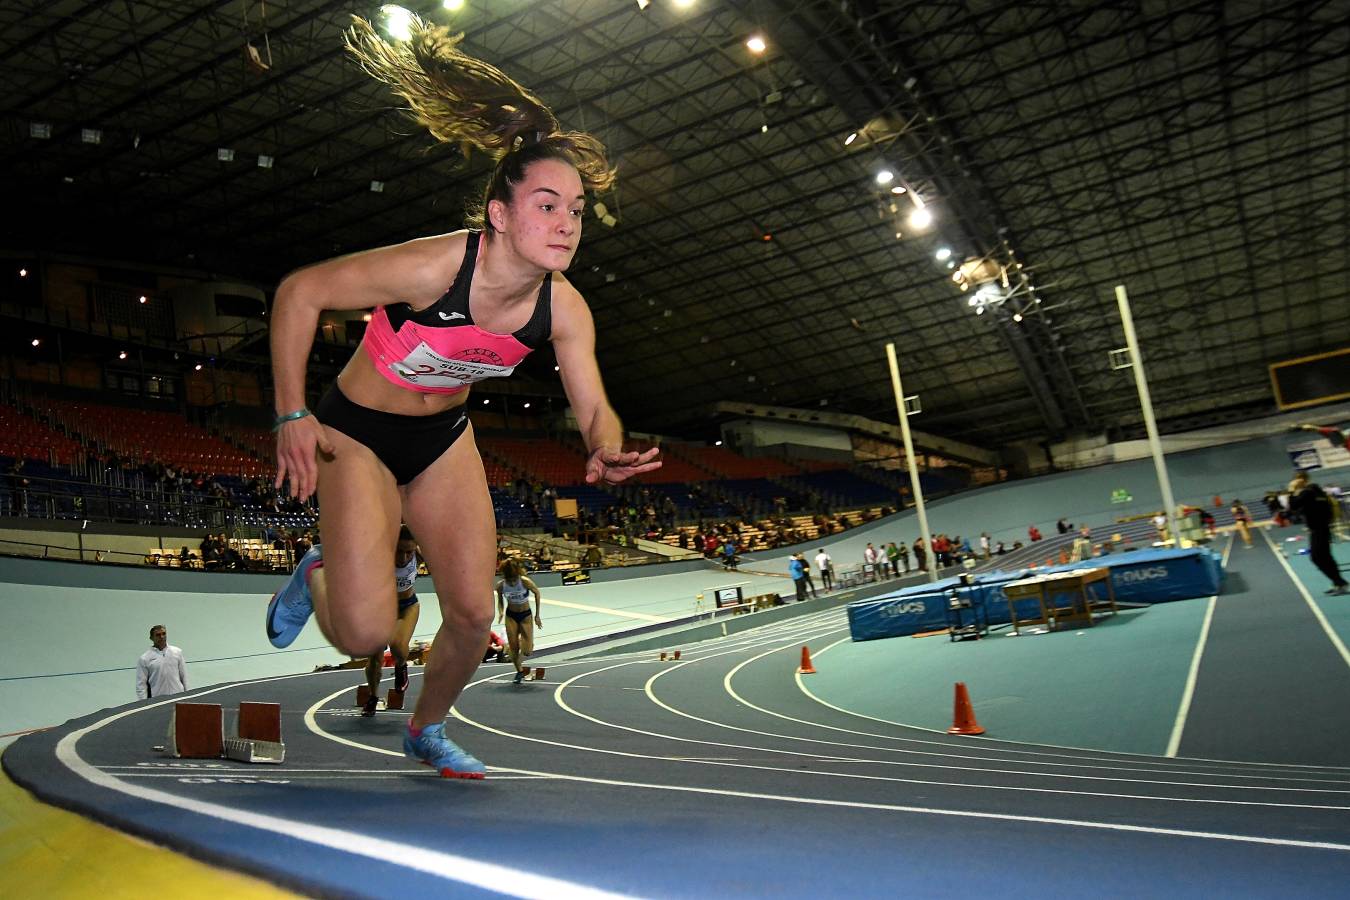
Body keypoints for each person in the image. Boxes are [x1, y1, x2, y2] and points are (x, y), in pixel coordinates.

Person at [264, 14, 660, 780]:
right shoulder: (435, 269)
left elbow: (593, 405)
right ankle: (317, 570)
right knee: (364, 632)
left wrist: (605, 446)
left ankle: (426, 729)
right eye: (547, 205)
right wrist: (291, 412)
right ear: (500, 215)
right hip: (359, 435)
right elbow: (300, 293)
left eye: (576, 210)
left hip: (442, 441)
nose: (567, 224)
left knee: (476, 615)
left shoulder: (564, 309)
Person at [361, 526, 423, 717]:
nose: (403, 558)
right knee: (374, 658)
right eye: (399, 551)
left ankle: (401, 666)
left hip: (407, 606)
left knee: (397, 645)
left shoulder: (420, 554)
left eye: (409, 552)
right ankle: (373, 697)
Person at [1288, 472, 1347, 595]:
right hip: (1323, 528)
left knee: (1317, 557)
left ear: (1300, 480)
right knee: (1326, 557)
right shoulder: (1319, 491)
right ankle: (1339, 583)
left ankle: (1340, 583)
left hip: (1318, 529)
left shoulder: (1307, 492)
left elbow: (1293, 506)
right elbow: (1327, 508)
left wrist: (1291, 489)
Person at [496, 559, 543, 683]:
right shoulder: (501, 585)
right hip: (511, 616)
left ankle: (525, 643)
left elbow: (537, 593)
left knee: (527, 651)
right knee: (513, 648)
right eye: (510, 580)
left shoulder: (524, 581)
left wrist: (537, 615)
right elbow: (500, 601)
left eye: (514, 579)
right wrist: (500, 612)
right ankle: (519, 671)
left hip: (525, 615)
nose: (512, 582)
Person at [135, 625, 187, 700]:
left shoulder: (177, 652)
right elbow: (141, 685)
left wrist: (188, 696)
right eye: (158, 635)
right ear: (151, 638)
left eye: (164, 634)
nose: (162, 637)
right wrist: (143, 703)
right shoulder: (144, 659)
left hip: (178, 697)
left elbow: (184, 677)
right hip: (158, 700)